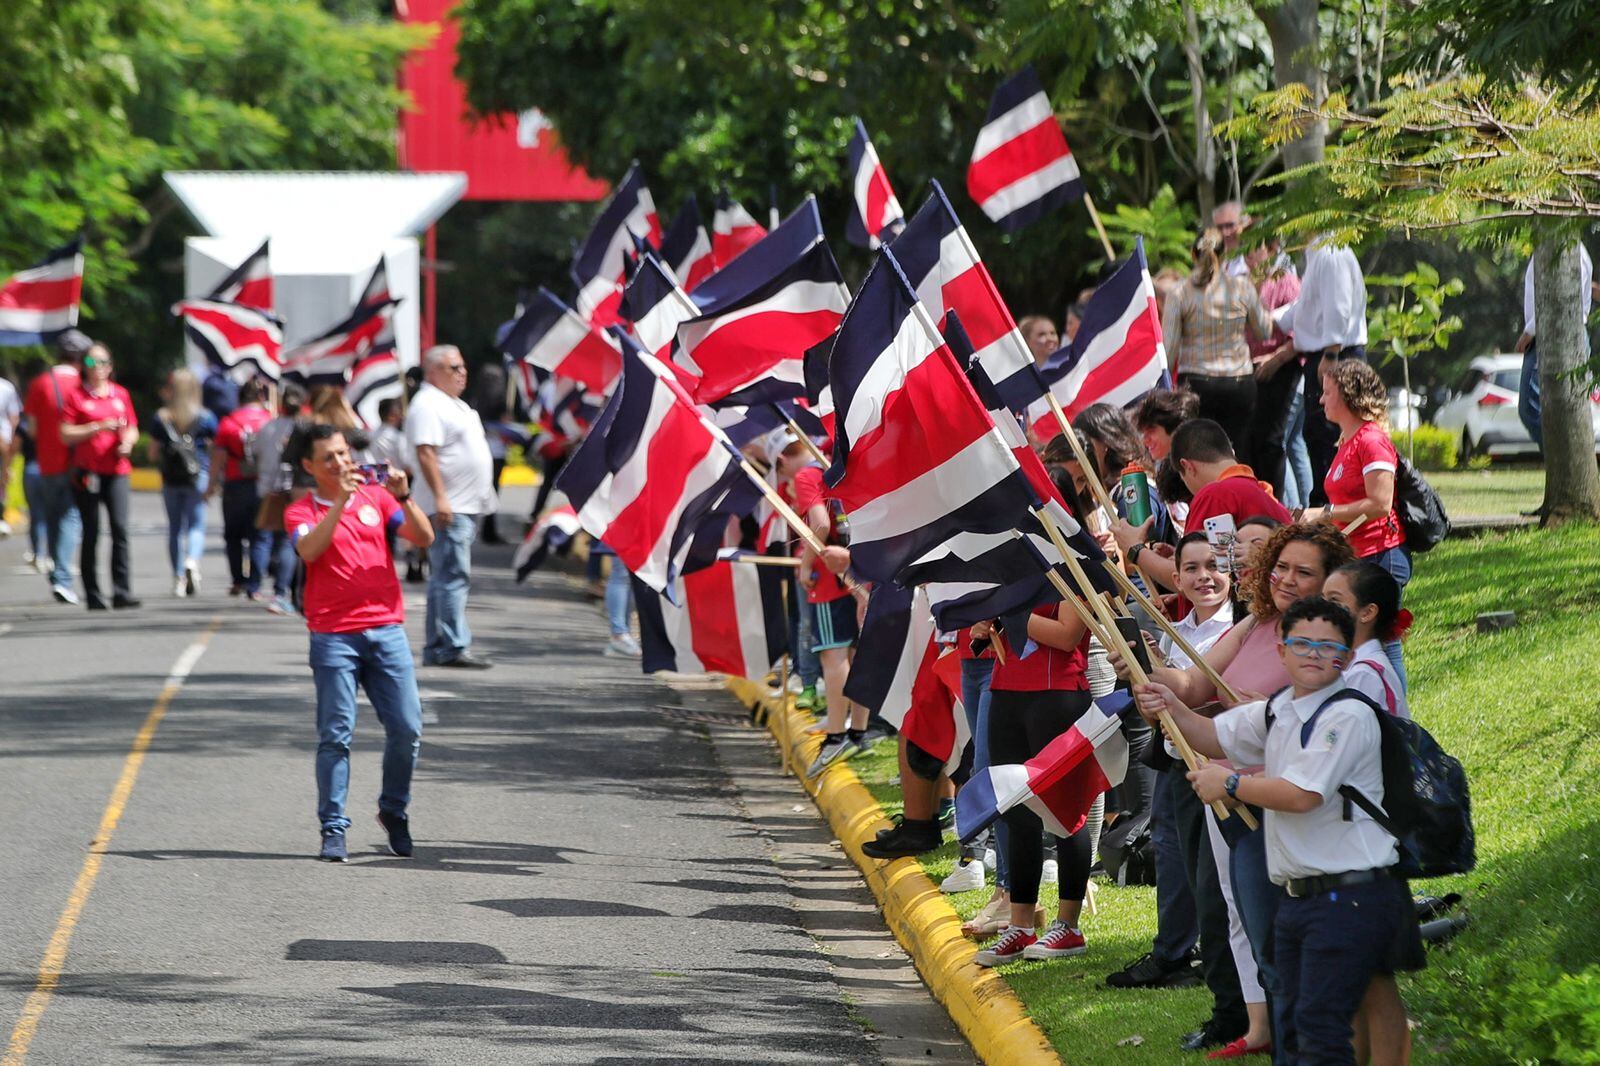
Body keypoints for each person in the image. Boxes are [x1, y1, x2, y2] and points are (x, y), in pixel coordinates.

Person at [1136, 595, 1416, 1066]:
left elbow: (1303, 793)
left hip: (1352, 894)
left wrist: (1231, 784)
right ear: (1281, 651)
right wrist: (1167, 703)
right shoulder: (1279, 710)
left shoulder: (1347, 715)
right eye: (1301, 644)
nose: (1313, 655)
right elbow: (1212, 735)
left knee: (1326, 1025)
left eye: (1328, 647)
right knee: (1316, 1019)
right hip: (1301, 895)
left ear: (1347, 656)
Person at [287, 424, 435, 862]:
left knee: (407, 728)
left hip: (386, 630)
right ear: (310, 466)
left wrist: (404, 497)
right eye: (328, 457)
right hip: (334, 636)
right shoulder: (301, 510)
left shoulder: (379, 498)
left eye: (343, 453)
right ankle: (333, 827)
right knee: (336, 735)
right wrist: (340, 503)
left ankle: (394, 810)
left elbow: (424, 538)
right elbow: (309, 550)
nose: (340, 462)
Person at [1106, 533, 1230, 993]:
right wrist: (1144, 671)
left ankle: (1210, 957)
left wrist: (1155, 673)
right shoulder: (1175, 632)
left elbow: (1208, 695)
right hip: (1176, 763)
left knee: (1209, 870)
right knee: (1174, 859)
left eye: (1214, 566)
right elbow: (1156, 714)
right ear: (1176, 579)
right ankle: (1172, 952)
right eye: (1192, 569)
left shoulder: (1239, 629)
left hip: (1216, 765)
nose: (1204, 577)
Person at [970, 595, 1094, 967]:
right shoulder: (1008, 574)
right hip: (1006, 691)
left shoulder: (1066, 569)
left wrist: (1009, 613)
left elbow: (1068, 635)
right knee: (1015, 810)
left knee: (1066, 812)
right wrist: (986, 624)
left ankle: (1068, 926)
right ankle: (1020, 925)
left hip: (1058, 693)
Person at [1301, 359, 1410, 687]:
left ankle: (1393, 708)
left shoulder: (1371, 440)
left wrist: (1325, 513)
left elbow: (1380, 504)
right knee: (1363, 641)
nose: (1321, 399)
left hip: (1381, 554)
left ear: (1349, 395)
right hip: (1359, 554)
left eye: (1328, 392)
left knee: (1384, 643)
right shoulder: (1348, 440)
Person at [1115, 419, 1290, 595]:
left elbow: (1194, 581)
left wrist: (1136, 549)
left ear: (1187, 466)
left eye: (1182, 476)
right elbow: (1225, 572)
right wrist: (1179, 557)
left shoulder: (1215, 495)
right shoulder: (1265, 494)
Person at [406, 344, 496, 669]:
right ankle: (452, 645)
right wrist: (441, 497)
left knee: (445, 576)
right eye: (453, 367)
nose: (462, 373)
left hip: (462, 504)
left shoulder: (451, 403)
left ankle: (439, 645)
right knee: (453, 575)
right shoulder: (428, 404)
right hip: (449, 506)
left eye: (462, 366)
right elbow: (426, 452)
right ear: (432, 372)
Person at [1164, 228, 1275, 468]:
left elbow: (1169, 351)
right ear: (1224, 255)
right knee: (1239, 453)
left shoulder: (1179, 293)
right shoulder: (1242, 288)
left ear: (1193, 254)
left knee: (1200, 456)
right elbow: (1264, 332)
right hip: (1239, 382)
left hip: (1197, 383)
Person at [1280, 237, 1368, 505]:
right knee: (1317, 435)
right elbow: (1306, 308)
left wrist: (1331, 354)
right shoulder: (1316, 252)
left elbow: (1338, 305)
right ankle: (1327, 508)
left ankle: (1335, 510)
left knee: (1331, 435)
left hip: (1335, 356)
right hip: (1325, 355)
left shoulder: (1331, 250)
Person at [797, 445, 865, 776]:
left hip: (829, 578)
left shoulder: (809, 474)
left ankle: (837, 734)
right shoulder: (852, 465)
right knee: (857, 653)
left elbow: (821, 525)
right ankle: (858, 732)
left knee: (833, 655)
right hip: (863, 572)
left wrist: (805, 563)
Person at [60, 344, 140, 609]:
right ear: (84, 367)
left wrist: (128, 443)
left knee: (120, 528)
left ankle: (121, 591)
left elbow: (132, 427)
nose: (98, 368)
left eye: (103, 362)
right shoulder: (76, 396)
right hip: (88, 472)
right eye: (92, 363)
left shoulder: (120, 394)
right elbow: (65, 433)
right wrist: (97, 427)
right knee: (91, 530)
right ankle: (93, 593)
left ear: (110, 366)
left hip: (117, 471)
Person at [23, 329, 91, 603]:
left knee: (53, 517)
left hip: (47, 461)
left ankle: (56, 573)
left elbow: (32, 429)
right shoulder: (83, 384)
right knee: (70, 518)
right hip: (77, 463)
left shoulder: (40, 383)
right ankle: (62, 577)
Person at [1513, 243, 1593, 449]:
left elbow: (1563, 297)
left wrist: (1530, 331)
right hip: (1547, 332)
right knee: (1551, 410)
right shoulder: (1546, 247)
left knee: (1530, 408)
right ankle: (1569, 456)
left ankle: (1571, 454)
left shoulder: (1569, 249)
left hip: (1555, 333)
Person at [147, 368, 218, 597]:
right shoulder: (206, 418)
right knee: (196, 525)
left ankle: (178, 577)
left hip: (171, 477)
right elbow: (215, 449)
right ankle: (192, 561)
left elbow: (152, 453)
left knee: (175, 528)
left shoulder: (161, 418)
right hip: (198, 475)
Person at [1246, 235, 1304, 500]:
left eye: (1253, 248)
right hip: (1248, 370)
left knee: (1272, 440)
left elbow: (1300, 331)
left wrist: (1275, 359)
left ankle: (1276, 506)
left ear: (1270, 249)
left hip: (1281, 368)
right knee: (1249, 441)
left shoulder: (1287, 282)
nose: (1248, 255)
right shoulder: (1242, 284)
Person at [209, 379, 273, 598]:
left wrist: (210, 486)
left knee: (233, 535)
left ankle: (238, 580)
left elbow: (218, 458)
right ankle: (254, 586)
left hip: (234, 484)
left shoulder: (228, 422)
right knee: (260, 536)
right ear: (262, 397)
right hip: (263, 484)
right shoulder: (269, 421)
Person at [1323, 563, 1410, 720]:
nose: (1321, 608)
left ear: (1368, 612)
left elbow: (1350, 730)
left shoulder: (1364, 674)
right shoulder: (1354, 665)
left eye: (1334, 601)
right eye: (1322, 599)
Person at [252, 382, 308, 615]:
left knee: (267, 539)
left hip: (270, 489)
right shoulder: (305, 429)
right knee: (288, 542)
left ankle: (261, 586)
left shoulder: (268, 427)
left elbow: (254, 453)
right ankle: (282, 592)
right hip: (296, 491)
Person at [0, 369, 19, 538]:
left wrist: (12, 441)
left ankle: (1, 515)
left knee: (3, 477)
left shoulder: (6, 387)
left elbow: (14, 417)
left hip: (3, 440)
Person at [1213, 200, 1251, 278]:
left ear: (1245, 223)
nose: (1225, 233)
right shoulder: (1214, 260)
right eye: (1219, 227)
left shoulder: (1258, 256)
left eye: (1230, 225)